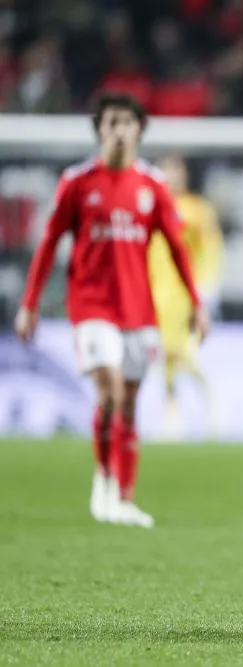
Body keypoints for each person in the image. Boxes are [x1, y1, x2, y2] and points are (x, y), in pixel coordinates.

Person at [15, 93, 209, 528]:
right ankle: (103, 482)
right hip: (91, 306)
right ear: (100, 129)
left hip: (139, 311)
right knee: (111, 394)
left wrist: (197, 303)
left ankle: (123, 496)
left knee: (130, 406)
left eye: (127, 122)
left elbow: (177, 248)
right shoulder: (78, 182)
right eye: (111, 122)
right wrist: (29, 304)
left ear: (140, 129)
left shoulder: (152, 186)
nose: (119, 130)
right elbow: (48, 245)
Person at [148, 153, 224, 437]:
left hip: (185, 293)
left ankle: (211, 399)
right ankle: (172, 413)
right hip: (156, 292)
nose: (170, 176)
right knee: (162, 356)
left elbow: (212, 249)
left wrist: (208, 287)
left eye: (175, 170)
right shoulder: (150, 207)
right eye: (165, 170)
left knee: (181, 352)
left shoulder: (197, 209)